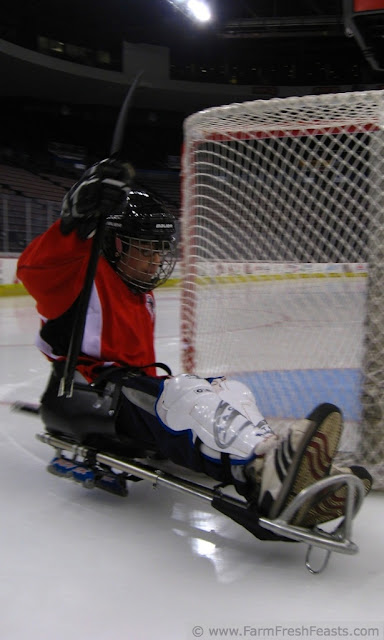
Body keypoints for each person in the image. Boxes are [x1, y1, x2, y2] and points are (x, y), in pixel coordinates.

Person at [17, 158, 371, 525]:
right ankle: (260, 473)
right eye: (145, 249)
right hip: (85, 394)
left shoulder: (141, 293)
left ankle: (276, 461)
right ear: (115, 244)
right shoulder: (79, 275)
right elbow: (34, 269)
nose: (156, 261)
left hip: (124, 395)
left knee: (229, 389)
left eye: (159, 250)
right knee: (182, 393)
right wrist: (73, 223)